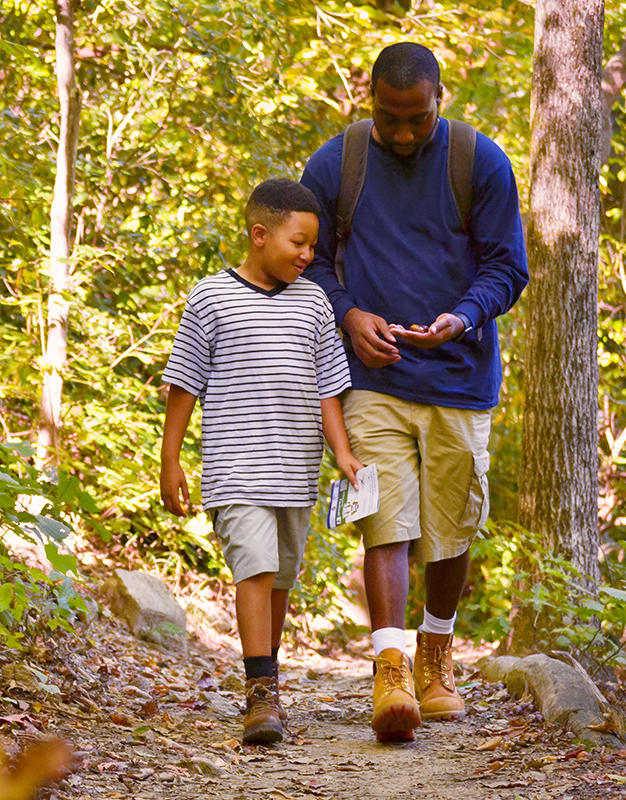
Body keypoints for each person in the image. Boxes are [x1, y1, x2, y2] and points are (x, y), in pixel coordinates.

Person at [301, 42, 529, 743]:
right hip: (370, 378)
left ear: (440, 99)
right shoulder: (336, 164)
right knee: (385, 520)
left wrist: (462, 315)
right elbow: (304, 260)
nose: (402, 133)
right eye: (389, 117)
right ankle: (391, 666)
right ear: (367, 98)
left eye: (417, 119)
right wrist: (347, 312)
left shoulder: (479, 161)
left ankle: (437, 656)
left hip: (459, 379)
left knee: (453, 526)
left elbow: (507, 267)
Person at [160, 178, 363, 745]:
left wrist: (342, 453)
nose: (308, 255)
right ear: (259, 235)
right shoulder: (211, 297)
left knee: (279, 580)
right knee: (255, 567)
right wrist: (169, 461)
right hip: (234, 467)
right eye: (299, 243)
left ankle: (266, 678)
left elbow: (328, 388)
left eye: (313, 246)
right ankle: (259, 695)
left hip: (295, 471)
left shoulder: (315, 303)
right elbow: (184, 384)